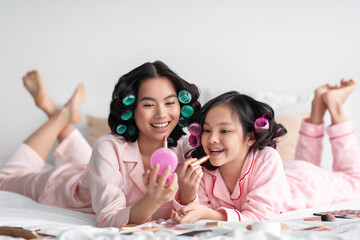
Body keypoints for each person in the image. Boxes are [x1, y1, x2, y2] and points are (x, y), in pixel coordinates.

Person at [0, 61, 203, 227]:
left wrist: (188, 194)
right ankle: (59, 115)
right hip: (69, 188)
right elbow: (108, 219)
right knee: (4, 180)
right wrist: (153, 199)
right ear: (131, 109)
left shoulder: (187, 149)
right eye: (149, 104)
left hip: (96, 172)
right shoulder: (109, 146)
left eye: (169, 103)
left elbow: (193, 210)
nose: (161, 113)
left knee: (90, 163)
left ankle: (59, 112)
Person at [171, 79, 360, 223]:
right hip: (286, 173)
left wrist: (210, 215)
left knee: (354, 180)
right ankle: (317, 108)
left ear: (250, 137)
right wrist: (187, 193)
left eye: (224, 131)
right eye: (206, 130)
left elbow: (259, 217)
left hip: (308, 183)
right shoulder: (203, 168)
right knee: (308, 161)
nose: (212, 139)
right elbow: (197, 212)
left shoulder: (267, 158)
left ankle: (334, 106)